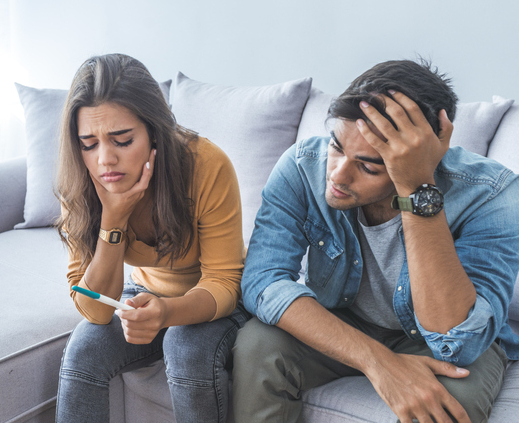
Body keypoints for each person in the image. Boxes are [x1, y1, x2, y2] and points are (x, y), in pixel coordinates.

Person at [233, 59, 519, 423]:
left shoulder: (492, 194)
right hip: (346, 319)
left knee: (447, 404)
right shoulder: (304, 165)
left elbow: (457, 340)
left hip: (436, 340)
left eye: (369, 166)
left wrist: (417, 189)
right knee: (259, 343)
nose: (337, 174)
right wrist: (378, 362)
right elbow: (263, 280)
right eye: (336, 146)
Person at [54, 53, 249, 423]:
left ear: (154, 132)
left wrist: (168, 314)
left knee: (185, 345)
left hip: (221, 296)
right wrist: (113, 220)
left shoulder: (206, 165)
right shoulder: (80, 180)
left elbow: (224, 280)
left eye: (122, 140)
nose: (104, 160)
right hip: (146, 291)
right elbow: (95, 308)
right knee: (83, 349)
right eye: (89, 143)